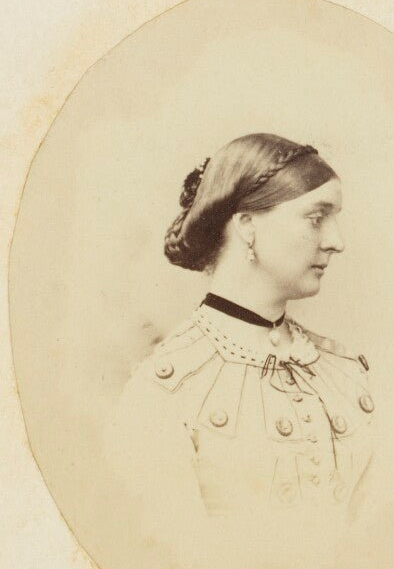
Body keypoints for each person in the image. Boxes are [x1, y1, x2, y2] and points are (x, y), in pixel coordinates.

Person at [105, 133, 374, 520]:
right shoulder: (166, 391)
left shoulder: (344, 374)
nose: (336, 241)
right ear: (247, 226)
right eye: (316, 218)